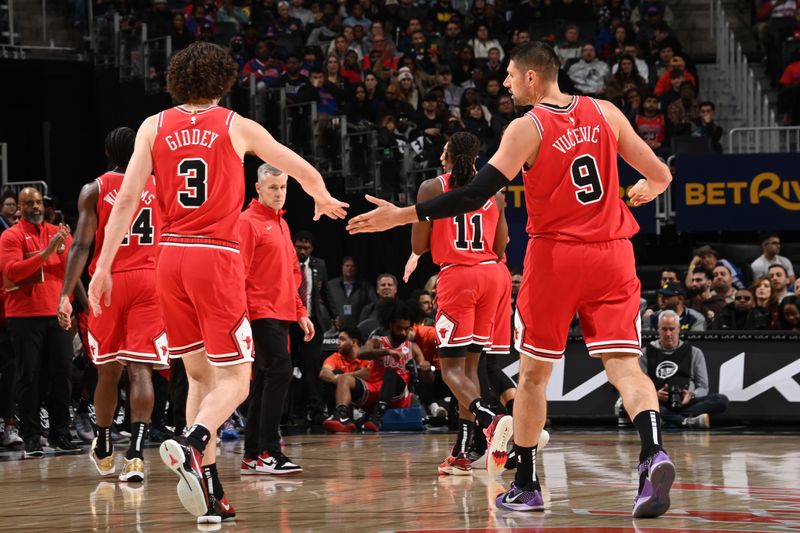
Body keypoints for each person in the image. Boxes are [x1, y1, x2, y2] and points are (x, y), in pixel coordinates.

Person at [346, 41, 675, 517]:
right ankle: (653, 454)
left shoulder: (529, 126)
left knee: (535, 376)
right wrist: (648, 187)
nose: (504, 83)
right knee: (625, 366)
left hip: (558, 257)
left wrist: (405, 214)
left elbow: (476, 190)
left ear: (532, 79)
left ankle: (527, 483)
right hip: (615, 256)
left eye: (509, 75)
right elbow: (660, 174)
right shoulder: (607, 112)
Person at [87, 42, 347, 523]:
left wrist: (102, 265)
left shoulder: (153, 126)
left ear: (177, 80)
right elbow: (297, 164)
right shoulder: (234, 125)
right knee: (237, 378)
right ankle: (194, 442)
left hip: (168, 259)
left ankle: (209, 494)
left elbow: (124, 201)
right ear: (223, 81)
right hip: (215, 256)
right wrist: (323, 195)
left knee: (200, 378)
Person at [58, 127, 167, 482]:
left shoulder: (95, 189)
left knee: (108, 370)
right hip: (150, 281)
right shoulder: (160, 186)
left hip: (110, 281)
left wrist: (65, 295)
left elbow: (80, 246)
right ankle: (136, 455)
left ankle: (104, 443)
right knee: (141, 370)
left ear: (106, 152)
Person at [406, 132, 514, 476]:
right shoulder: (492, 193)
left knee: (451, 370)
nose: (439, 155)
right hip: (493, 277)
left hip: (459, 276)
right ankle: (461, 452)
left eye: (443, 149)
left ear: (449, 154)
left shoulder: (431, 188)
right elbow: (502, 246)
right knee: (470, 372)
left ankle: (490, 420)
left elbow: (420, 246)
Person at [239, 164, 316, 476]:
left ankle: (253, 453)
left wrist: (300, 312)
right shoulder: (247, 223)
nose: (279, 193)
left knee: (264, 379)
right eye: (272, 188)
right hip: (259, 311)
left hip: (281, 312)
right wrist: (240, 318)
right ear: (258, 188)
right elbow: (237, 275)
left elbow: (291, 275)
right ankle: (269, 451)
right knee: (280, 371)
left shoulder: (281, 224)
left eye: (283, 187)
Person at [0, 188, 79, 457]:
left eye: (38, 202)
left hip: (57, 312)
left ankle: (60, 432)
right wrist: (46, 252)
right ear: (20, 208)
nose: (35, 207)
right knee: (29, 377)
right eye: (29, 203)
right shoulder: (10, 236)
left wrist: (71, 301)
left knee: (62, 374)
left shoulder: (59, 232)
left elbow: (72, 270)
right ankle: (31, 436)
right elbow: (12, 271)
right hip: (24, 316)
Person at [322, 299, 428, 433]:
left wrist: (425, 366)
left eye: (407, 329)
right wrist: (387, 351)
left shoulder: (412, 347)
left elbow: (428, 376)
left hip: (397, 396)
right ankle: (342, 416)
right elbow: (360, 353)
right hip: (374, 390)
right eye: (400, 328)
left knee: (390, 372)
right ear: (390, 325)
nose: (403, 333)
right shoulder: (378, 342)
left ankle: (378, 416)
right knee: (344, 378)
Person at [641, 311, 729, 428]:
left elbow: (703, 387)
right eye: (664, 329)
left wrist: (691, 395)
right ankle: (686, 421)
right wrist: (653, 395)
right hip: (657, 402)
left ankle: (669, 419)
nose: (668, 334)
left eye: (672, 329)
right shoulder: (645, 353)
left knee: (721, 400)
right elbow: (639, 386)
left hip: (686, 403)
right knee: (634, 403)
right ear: (658, 329)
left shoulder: (694, 352)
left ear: (679, 329)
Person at [291, 230, 333, 425]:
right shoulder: (286, 261)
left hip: (312, 320)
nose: (301, 251)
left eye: (305, 248)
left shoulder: (319, 265)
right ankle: (289, 412)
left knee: (312, 367)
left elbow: (325, 291)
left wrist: (335, 316)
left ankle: (316, 410)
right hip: (289, 321)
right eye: (298, 247)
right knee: (288, 366)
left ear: (311, 249)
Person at [328, 257, 377, 329]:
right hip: (336, 328)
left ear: (356, 268)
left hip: (358, 328)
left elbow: (374, 304)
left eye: (352, 266)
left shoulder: (365, 286)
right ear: (342, 267)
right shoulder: (331, 285)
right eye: (347, 266)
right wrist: (332, 318)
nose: (349, 268)